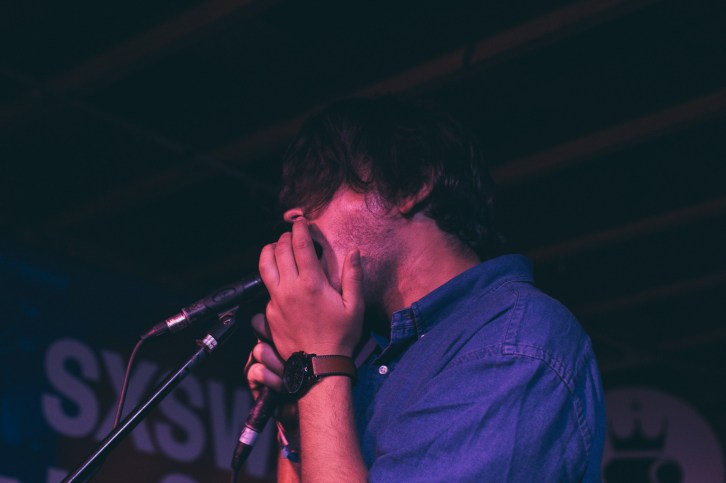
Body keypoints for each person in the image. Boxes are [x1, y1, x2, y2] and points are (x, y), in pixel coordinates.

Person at [244, 97, 605, 482]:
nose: (293, 214)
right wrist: (300, 421)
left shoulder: (515, 342)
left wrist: (319, 364)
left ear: (412, 184)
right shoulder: (376, 361)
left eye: (322, 185)